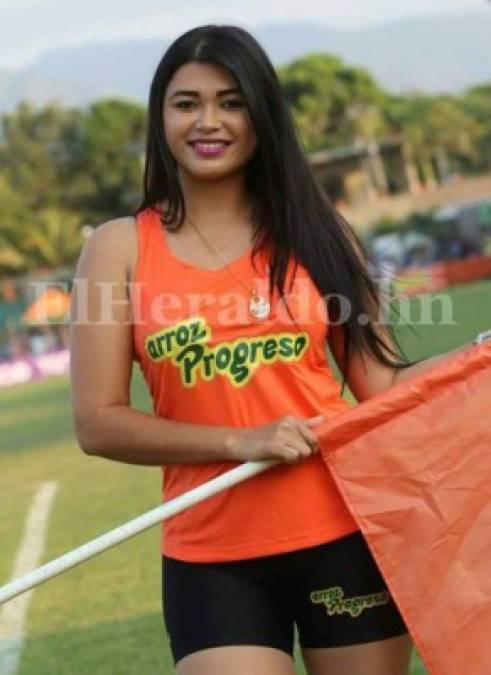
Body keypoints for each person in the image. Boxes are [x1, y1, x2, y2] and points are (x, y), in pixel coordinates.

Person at [70, 24, 464, 675]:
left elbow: (382, 386)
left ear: (262, 114)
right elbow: (97, 421)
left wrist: (473, 361)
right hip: (212, 554)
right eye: (186, 102)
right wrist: (240, 440)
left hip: (345, 530)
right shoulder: (118, 247)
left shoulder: (319, 231)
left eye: (231, 101)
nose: (209, 121)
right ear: (160, 116)